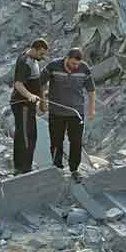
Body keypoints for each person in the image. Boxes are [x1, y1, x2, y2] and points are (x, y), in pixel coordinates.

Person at [44, 48, 96, 181]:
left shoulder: (84, 69)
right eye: (73, 63)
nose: (75, 66)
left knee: (76, 142)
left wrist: (91, 109)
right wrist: (42, 102)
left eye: (77, 64)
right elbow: (40, 83)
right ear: (66, 58)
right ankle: (57, 168)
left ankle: (74, 170)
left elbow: (91, 90)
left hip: (76, 113)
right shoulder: (53, 66)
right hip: (56, 112)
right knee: (56, 141)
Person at [11, 38, 49, 174]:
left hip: (29, 105)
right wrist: (29, 95)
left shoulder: (34, 61)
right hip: (22, 104)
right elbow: (18, 84)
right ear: (34, 49)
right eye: (41, 53)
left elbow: (38, 84)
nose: (42, 57)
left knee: (30, 134)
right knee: (25, 135)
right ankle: (23, 167)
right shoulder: (25, 62)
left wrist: (42, 101)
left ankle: (25, 165)